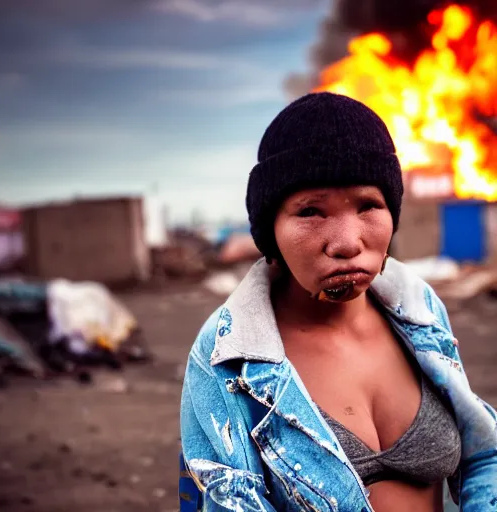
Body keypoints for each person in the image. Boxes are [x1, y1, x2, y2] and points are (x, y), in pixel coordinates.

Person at [179, 92, 497, 512]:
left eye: (369, 205)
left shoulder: (419, 309)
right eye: (311, 211)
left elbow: (484, 453)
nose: (348, 243)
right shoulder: (227, 357)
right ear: (270, 229)